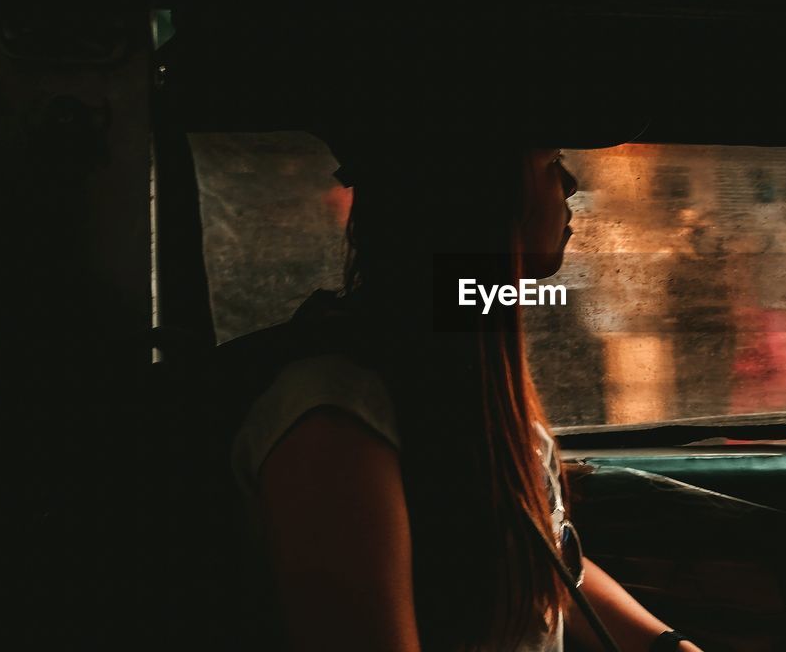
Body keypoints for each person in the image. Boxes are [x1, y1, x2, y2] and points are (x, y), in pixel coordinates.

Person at [229, 117, 703, 652]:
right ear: (482, 193)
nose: (570, 184)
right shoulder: (337, 422)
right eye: (550, 162)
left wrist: (671, 647)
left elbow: (538, 559)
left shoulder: (463, 380)